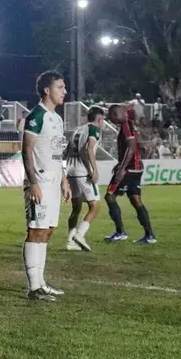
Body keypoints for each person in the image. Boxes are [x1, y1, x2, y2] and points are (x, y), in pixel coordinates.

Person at [22, 71, 70, 302]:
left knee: (48, 230)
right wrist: (33, 183)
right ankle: (33, 287)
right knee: (36, 230)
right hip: (39, 183)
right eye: (61, 87)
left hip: (53, 183)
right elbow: (27, 150)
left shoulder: (57, 118)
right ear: (47, 90)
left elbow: (56, 152)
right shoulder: (36, 116)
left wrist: (64, 179)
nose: (65, 91)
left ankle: (40, 282)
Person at [104, 105, 156, 244]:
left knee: (109, 197)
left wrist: (122, 168)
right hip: (136, 168)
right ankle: (150, 235)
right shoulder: (130, 125)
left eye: (111, 116)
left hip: (129, 169)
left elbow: (131, 147)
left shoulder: (126, 125)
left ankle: (120, 232)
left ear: (116, 114)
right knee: (135, 200)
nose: (111, 120)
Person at [65, 106, 104, 251]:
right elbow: (89, 148)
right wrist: (93, 170)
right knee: (95, 206)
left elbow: (67, 150)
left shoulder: (77, 130)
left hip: (71, 171)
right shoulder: (94, 129)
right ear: (100, 119)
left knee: (76, 208)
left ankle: (70, 242)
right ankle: (80, 235)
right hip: (83, 171)